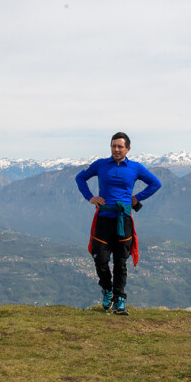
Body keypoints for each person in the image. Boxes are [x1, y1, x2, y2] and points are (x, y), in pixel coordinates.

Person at [75, 132, 161, 315]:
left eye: (120, 146)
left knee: (121, 262)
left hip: (124, 220)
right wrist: (90, 197)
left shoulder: (135, 167)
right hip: (104, 219)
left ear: (127, 149)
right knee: (100, 259)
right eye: (114, 146)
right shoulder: (100, 164)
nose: (116, 149)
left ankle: (119, 300)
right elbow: (80, 178)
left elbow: (155, 183)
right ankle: (107, 290)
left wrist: (137, 198)